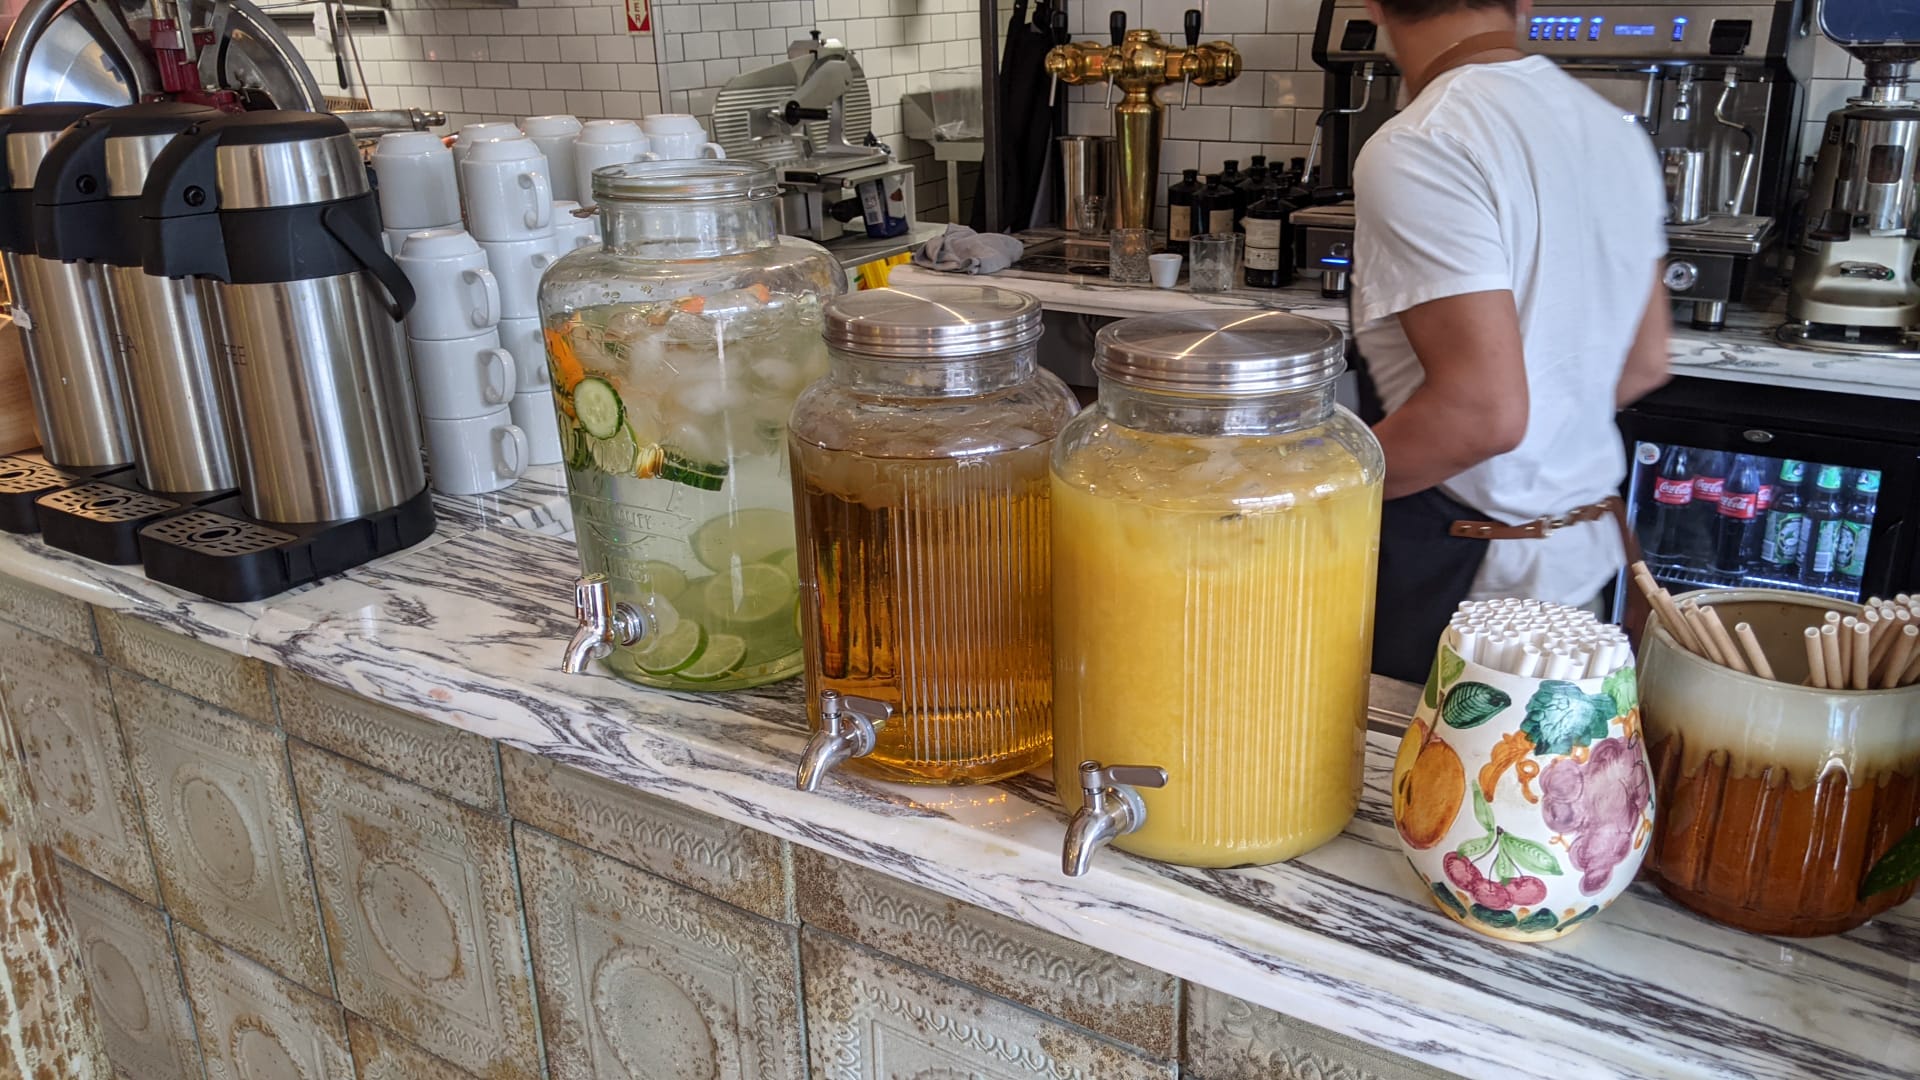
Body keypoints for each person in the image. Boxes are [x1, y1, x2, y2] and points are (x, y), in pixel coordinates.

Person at [1351, 0, 1674, 682]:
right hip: (1574, 560)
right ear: (1523, 1)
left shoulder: (1422, 143)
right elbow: (1645, 361)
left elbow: (1481, 416)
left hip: (1467, 580)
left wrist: (1294, 493)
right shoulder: (1612, 129)